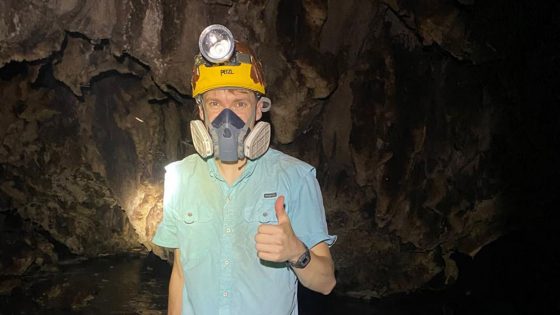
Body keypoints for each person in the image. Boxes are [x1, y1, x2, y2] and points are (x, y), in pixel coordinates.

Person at [152, 24, 336, 315]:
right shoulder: (179, 178)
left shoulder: (296, 178)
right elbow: (181, 275)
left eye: (239, 102)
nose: (227, 116)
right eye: (214, 102)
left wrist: (296, 254)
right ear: (200, 110)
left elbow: (325, 283)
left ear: (259, 108)